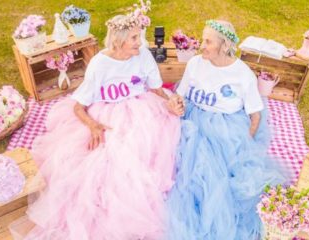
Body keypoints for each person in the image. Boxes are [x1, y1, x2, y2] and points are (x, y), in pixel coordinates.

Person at [11, 14, 181, 240]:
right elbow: (78, 107)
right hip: (108, 115)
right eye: (133, 38)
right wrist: (93, 126)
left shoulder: (143, 57)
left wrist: (168, 102)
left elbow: (156, 88)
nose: (139, 43)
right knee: (100, 161)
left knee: (148, 147)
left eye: (138, 37)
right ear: (118, 40)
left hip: (142, 110)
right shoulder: (100, 64)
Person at [166, 20, 291, 240]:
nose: (201, 45)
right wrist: (177, 104)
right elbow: (181, 94)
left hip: (224, 127)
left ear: (224, 46)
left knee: (212, 172)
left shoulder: (242, 74)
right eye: (202, 39)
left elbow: (255, 115)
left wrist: (245, 145)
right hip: (192, 119)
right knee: (177, 161)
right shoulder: (195, 63)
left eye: (208, 41)